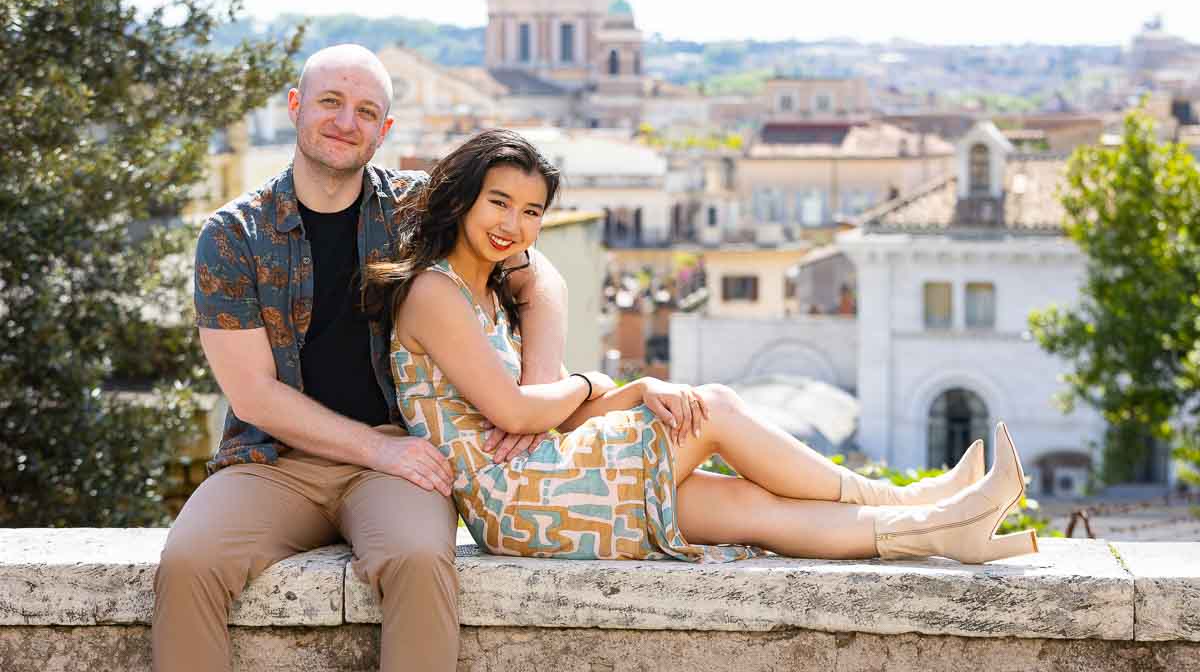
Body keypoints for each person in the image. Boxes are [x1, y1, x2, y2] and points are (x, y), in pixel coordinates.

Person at [366, 129, 1041, 564]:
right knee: (708, 406)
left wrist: (579, 395)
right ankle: (902, 499)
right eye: (499, 203)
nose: (515, 225)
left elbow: (533, 406)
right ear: (460, 200)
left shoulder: (490, 288)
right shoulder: (433, 292)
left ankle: (942, 529)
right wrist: (600, 387)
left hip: (547, 482)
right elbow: (516, 414)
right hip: (518, 498)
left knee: (752, 510)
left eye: (533, 211)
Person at [153, 45, 569, 672]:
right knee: (187, 566)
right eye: (330, 102)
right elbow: (254, 396)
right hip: (276, 460)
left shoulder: (419, 210)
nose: (346, 121)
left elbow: (541, 280)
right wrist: (379, 450)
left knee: (421, 564)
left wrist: (532, 400)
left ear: (385, 131)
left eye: (365, 110)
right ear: (295, 107)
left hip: (400, 460)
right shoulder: (233, 236)